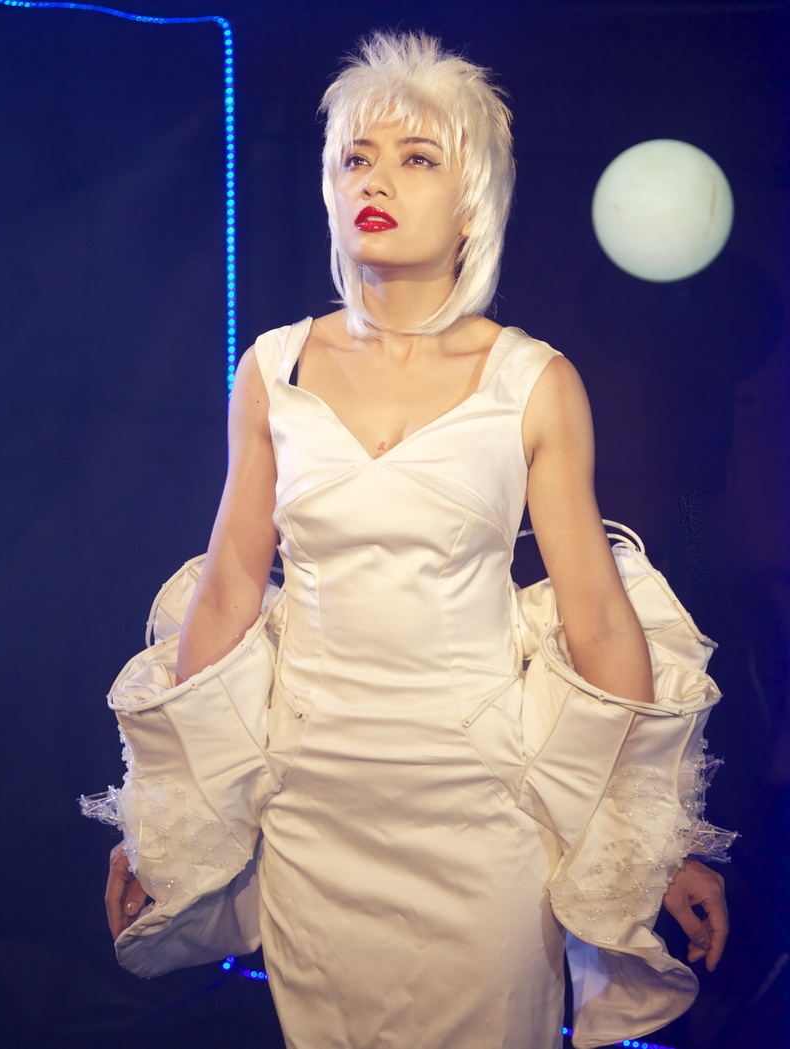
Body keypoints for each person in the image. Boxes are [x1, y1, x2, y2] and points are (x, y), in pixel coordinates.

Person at [105, 31, 729, 1049]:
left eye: (416, 157)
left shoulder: (534, 382)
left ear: (472, 202)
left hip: (483, 824)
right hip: (313, 821)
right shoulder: (271, 371)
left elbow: (599, 625)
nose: (376, 179)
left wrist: (654, 847)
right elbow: (224, 595)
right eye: (355, 156)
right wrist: (161, 826)